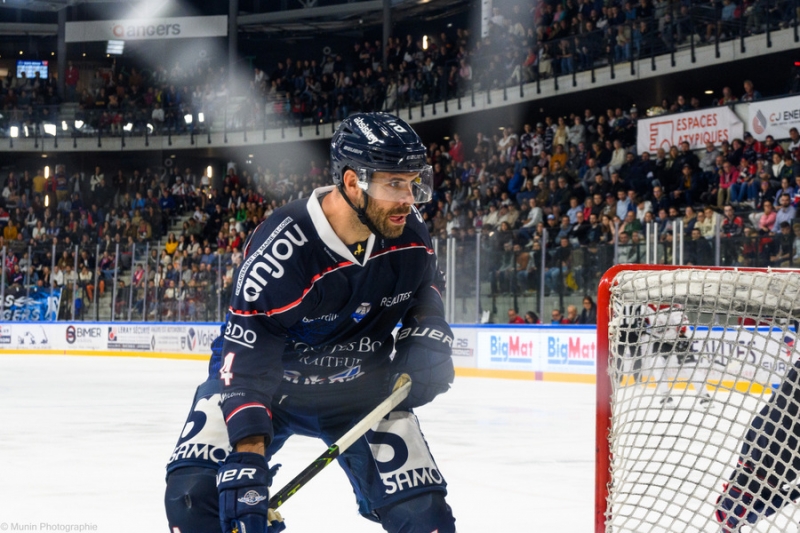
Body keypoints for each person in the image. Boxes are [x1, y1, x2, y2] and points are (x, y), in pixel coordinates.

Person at [164, 113, 456, 533]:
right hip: (268, 386)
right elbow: (246, 354)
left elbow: (426, 285)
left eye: (413, 182)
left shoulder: (407, 231)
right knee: (194, 500)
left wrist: (427, 334)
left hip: (361, 390)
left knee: (425, 519)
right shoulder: (281, 250)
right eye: (395, 184)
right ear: (354, 182)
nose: (409, 198)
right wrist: (247, 454)